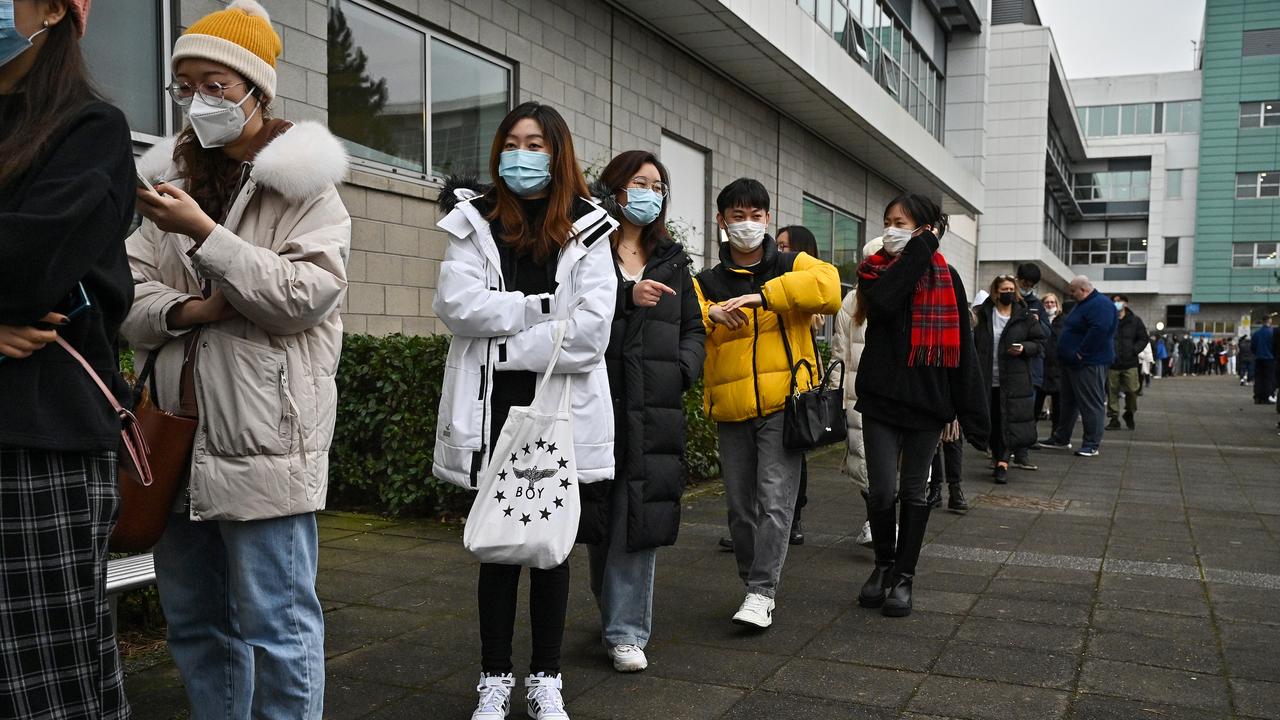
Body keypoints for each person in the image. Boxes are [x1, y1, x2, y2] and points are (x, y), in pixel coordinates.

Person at [121, 3, 351, 717]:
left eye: (215, 84)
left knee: (277, 626)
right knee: (194, 622)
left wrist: (207, 237)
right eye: (183, 85)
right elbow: (127, 295)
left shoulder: (306, 187)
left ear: (256, 90)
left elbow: (306, 295)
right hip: (173, 432)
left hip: (263, 439)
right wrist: (192, 310)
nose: (197, 101)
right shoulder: (168, 180)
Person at [434, 102, 618, 720]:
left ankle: (545, 677)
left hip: (558, 407)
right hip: (491, 409)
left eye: (535, 143)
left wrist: (504, 338)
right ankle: (493, 679)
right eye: (511, 142)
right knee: (496, 546)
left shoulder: (591, 228)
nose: (521, 154)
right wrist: (543, 311)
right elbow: (458, 306)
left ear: (558, 151)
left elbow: (591, 333)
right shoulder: (472, 220)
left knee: (549, 544)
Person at [0, 2, 134, 717]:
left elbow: (28, 265)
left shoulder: (89, 130)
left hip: (38, 444)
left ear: (55, 9)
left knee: (47, 678)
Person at [693, 178, 841, 628]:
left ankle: (761, 593)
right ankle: (752, 583)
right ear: (721, 221)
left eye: (756, 216)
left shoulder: (792, 264)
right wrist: (709, 313)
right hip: (732, 407)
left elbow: (830, 290)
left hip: (784, 403)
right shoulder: (707, 281)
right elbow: (683, 320)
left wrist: (765, 296)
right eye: (738, 216)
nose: (748, 224)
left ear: (768, 218)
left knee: (776, 501)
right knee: (740, 509)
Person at [585, 151, 704, 673]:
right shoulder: (585, 247)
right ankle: (614, 616)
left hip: (652, 404)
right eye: (640, 181)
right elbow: (568, 308)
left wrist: (680, 370)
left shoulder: (672, 259)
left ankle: (627, 631)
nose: (650, 192)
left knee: (638, 516)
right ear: (614, 188)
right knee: (600, 516)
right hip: (595, 399)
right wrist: (625, 296)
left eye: (658, 185)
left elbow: (694, 329)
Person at [852, 194, 987, 617]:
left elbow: (963, 351)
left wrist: (968, 414)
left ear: (926, 228)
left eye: (903, 223)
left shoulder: (949, 278)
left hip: (927, 404)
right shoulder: (874, 271)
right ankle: (883, 566)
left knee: (913, 490)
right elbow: (888, 301)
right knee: (881, 490)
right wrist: (921, 247)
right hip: (879, 399)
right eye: (888, 220)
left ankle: (904, 577)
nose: (892, 229)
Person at [973, 276, 1045, 484]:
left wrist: (1024, 348)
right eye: (1004, 289)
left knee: (1009, 420)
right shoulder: (983, 315)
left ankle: (1003, 462)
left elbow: (1039, 343)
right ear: (995, 292)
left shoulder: (1025, 316)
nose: (1009, 293)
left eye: (1012, 289)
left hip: (1014, 379)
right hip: (988, 377)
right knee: (993, 420)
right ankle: (997, 457)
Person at [1039, 276, 1117, 457]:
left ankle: (1091, 444)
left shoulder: (1099, 305)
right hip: (1073, 362)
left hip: (1088, 362)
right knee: (1068, 402)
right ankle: (1061, 437)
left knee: (1091, 403)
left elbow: (1100, 330)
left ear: (1083, 289)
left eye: (1073, 291)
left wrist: (1082, 352)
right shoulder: (1086, 304)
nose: (1071, 295)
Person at [1012, 263, 1049, 470]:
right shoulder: (1006, 298)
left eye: (1031, 285)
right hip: (1008, 364)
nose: (1028, 288)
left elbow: (1047, 333)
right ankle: (1001, 451)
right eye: (1025, 283)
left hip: (1030, 366)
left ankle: (1022, 452)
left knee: (1027, 411)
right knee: (1004, 410)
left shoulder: (1036, 304)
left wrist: (1037, 321)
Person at [1035, 293, 1063, 429]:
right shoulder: (1039, 320)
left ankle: (1056, 433)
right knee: (1036, 404)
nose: (1050, 305)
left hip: (1057, 367)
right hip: (1042, 366)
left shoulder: (1062, 321)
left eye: (1052, 302)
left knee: (1058, 405)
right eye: (1047, 302)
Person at [1253, 316, 1276, 405]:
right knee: (1268, 378)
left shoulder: (1256, 334)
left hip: (1258, 358)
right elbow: (1275, 346)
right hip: (1269, 358)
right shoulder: (1272, 333)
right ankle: (1266, 397)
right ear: (1269, 321)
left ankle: (1257, 397)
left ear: (1262, 322)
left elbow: (1253, 347)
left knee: (1258, 378)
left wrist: (1257, 353)